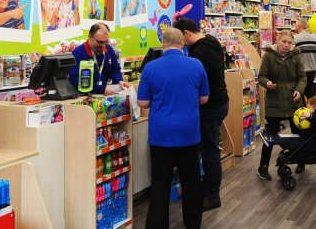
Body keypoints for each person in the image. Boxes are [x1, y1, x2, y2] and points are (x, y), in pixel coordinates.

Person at [137, 28, 209, 229]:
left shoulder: (151, 67)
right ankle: (193, 224)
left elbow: (142, 102)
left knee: (160, 185)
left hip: (161, 134)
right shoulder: (196, 65)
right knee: (191, 182)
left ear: (163, 44)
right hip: (189, 133)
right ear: (182, 44)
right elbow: (204, 98)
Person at [173, 18, 229, 211]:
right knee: (209, 148)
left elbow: (197, 82)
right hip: (220, 102)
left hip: (210, 106)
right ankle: (208, 189)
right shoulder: (212, 41)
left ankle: (212, 195)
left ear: (186, 34)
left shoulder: (199, 52)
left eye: (181, 39)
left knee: (209, 151)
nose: (181, 44)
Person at [257, 30, 306, 180]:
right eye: (284, 42)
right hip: (275, 102)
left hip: (293, 101)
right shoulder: (268, 56)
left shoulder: (296, 56)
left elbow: (302, 77)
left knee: (299, 134)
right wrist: (267, 83)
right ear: (277, 40)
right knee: (270, 136)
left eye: (289, 43)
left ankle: (301, 161)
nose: (286, 45)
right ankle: (263, 167)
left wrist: (299, 90)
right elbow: (261, 76)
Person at [69, 23, 128, 95]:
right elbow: (75, 80)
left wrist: (119, 80)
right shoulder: (78, 53)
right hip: (85, 95)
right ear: (90, 37)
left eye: (106, 42)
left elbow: (115, 69)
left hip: (104, 94)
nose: (103, 46)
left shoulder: (108, 49)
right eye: (100, 42)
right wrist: (101, 89)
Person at [294, 20, 316, 99]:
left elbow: (293, 56)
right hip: (312, 70)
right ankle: (310, 106)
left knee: (300, 94)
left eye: (295, 25)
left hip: (300, 71)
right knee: (310, 95)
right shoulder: (315, 38)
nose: (294, 27)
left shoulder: (295, 38)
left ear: (299, 26)